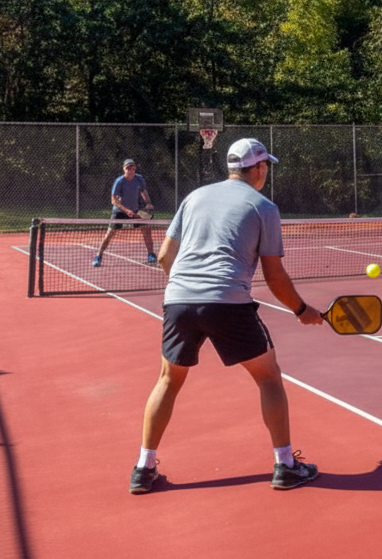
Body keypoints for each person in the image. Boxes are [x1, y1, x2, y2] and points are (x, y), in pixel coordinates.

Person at [128, 138, 324, 494]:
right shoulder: (264, 207)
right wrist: (301, 309)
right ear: (260, 168)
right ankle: (285, 466)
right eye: (267, 167)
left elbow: (164, 258)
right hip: (228, 302)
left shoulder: (195, 197)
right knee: (268, 377)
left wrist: (190, 290)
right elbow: (275, 276)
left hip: (178, 300)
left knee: (168, 379)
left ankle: (143, 468)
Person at [93, 159, 156, 267]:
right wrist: (126, 211)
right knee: (110, 234)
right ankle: (98, 256)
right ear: (124, 169)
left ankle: (151, 254)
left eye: (132, 168)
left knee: (146, 230)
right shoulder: (119, 181)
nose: (130, 170)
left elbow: (143, 191)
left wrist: (148, 203)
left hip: (135, 210)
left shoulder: (139, 179)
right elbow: (113, 200)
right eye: (128, 168)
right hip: (119, 211)